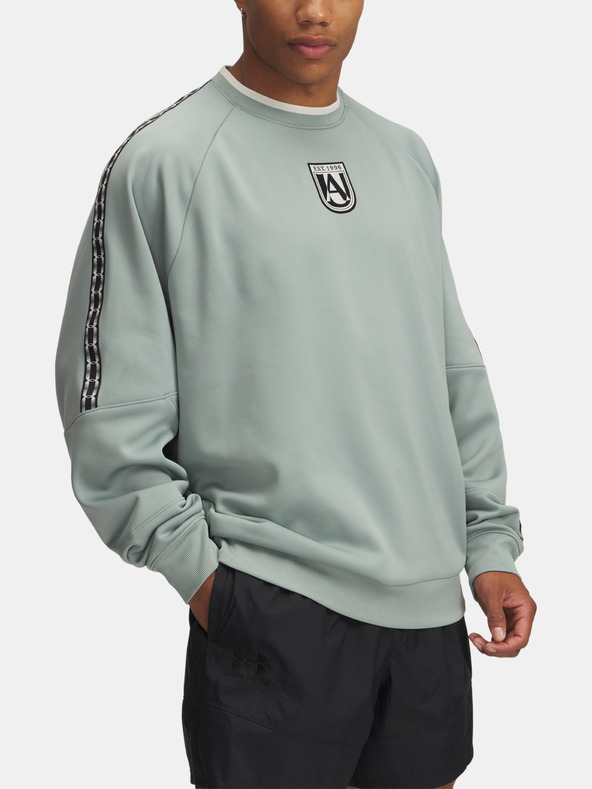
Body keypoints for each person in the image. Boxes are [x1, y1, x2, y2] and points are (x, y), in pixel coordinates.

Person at [55, 1, 537, 787]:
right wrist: (207, 581)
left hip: (429, 612)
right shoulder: (167, 161)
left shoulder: (404, 155)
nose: (314, 11)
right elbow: (109, 408)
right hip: (274, 605)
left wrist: (488, 545)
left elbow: (451, 367)